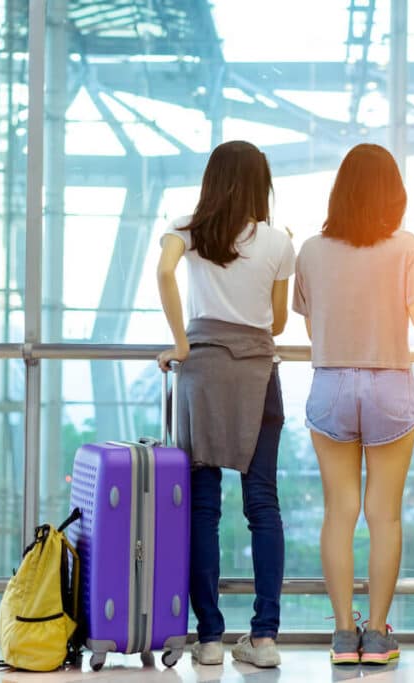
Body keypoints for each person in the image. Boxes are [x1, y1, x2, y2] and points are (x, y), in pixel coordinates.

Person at [292, 143, 414, 664]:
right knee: (384, 516)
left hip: (330, 382)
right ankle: (377, 635)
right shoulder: (406, 247)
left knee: (339, 513)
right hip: (389, 386)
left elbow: (314, 329)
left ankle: (341, 635)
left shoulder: (311, 249)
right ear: (394, 194)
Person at [156, 140, 295, 669]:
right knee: (263, 504)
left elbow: (165, 273)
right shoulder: (279, 241)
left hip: (204, 373)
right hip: (258, 374)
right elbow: (278, 324)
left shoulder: (187, 225)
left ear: (212, 179)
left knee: (203, 508)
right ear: (261, 184)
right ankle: (263, 640)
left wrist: (181, 341)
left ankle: (209, 637)